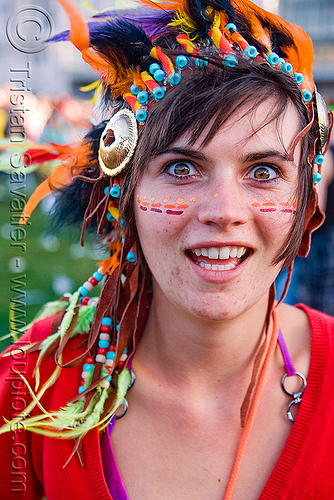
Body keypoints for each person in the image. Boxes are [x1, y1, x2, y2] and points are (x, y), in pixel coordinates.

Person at [0, 0, 333, 499]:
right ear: (124, 194)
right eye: (181, 168)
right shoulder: (34, 385)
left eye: (263, 172)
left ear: (306, 202)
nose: (224, 211)